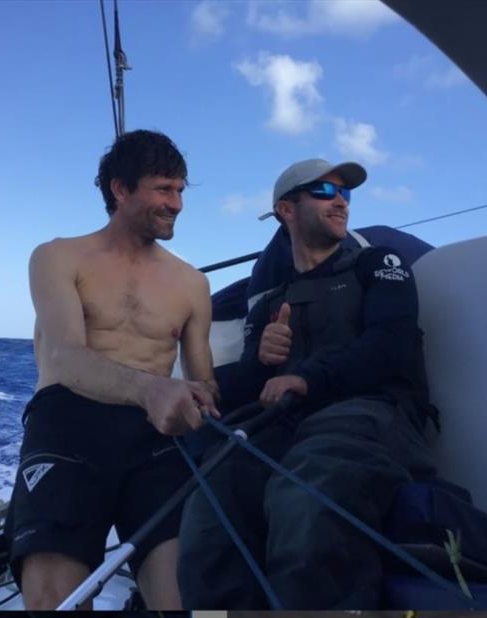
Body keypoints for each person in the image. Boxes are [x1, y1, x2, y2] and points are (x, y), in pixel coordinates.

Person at [178, 158, 437, 609]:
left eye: (345, 193)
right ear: (287, 210)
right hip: (289, 427)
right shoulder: (270, 303)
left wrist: (306, 376)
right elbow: (254, 382)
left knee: (304, 494)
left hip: (371, 415)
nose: (340, 201)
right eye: (323, 190)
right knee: (210, 507)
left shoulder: (379, 264)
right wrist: (257, 364)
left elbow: (390, 344)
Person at [4, 129, 219, 610]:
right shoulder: (58, 257)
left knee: (184, 594)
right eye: (164, 189)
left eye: (181, 190)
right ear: (120, 189)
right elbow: (63, 357)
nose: (177, 203)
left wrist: (201, 394)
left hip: (153, 441)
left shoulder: (192, 284)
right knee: (55, 599)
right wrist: (151, 390)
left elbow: (203, 379)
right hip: (68, 426)